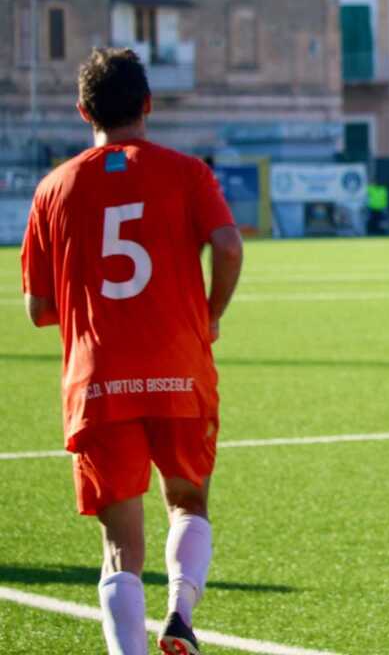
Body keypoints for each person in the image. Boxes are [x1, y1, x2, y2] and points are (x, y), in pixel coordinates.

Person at [20, 48, 243, 655]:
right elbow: (227, 245)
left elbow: (38, 307)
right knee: (188, 501)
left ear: (82, 110)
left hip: (97, 378)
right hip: (179, 364)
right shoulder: (186, 172)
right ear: (147, 104)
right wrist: (210, 313)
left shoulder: (53, 188)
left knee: (119, 544)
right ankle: (180, 611)